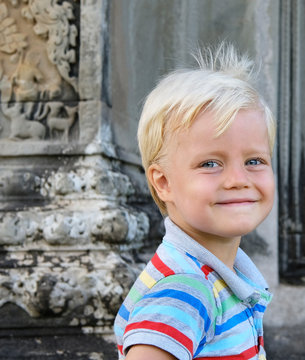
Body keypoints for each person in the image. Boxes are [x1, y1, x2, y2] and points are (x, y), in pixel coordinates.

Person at [114, 43, 276, 360]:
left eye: (254, 161)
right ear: (163, 183)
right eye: (210, 164)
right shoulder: (185, 291)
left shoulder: (220, 277)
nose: (238, 179)